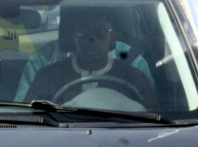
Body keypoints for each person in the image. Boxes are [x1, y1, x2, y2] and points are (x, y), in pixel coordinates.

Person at [24, 8, 157, 111]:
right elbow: (27, 117)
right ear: (73, 38)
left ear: (112, 38)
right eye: (84, 33)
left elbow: (153, 119)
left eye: (101, 33)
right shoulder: (48, 77)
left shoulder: (134, 78)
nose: (92, 40)